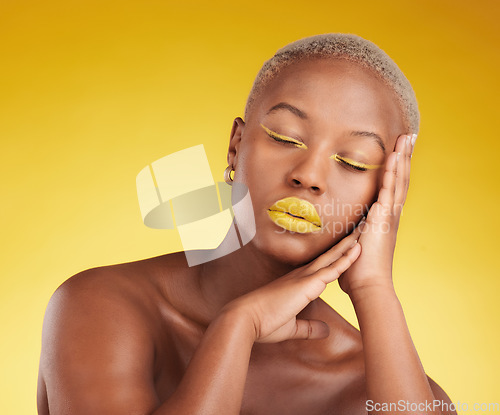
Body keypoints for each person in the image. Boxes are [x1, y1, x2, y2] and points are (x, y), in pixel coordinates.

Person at [37, 33, 456, 414]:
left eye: (352, 162)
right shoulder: (101, 306)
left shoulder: (390, 392)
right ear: (236, 146)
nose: (308, 175)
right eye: (286, 138)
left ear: (384, 195)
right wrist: (237, 326)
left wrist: (373, 289)